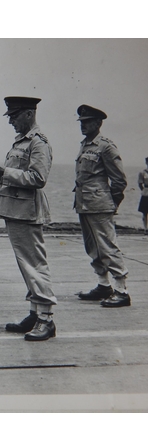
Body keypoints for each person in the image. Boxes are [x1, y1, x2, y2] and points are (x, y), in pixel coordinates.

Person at [0, 97, 57, 341]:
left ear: (28, 114)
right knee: (26, 264)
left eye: (14, 116)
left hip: (26, 212)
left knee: (34, 265)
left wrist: (5, 172)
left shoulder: (39, 143)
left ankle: (46, 319)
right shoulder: (21, 141)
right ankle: (35, 313)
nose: (11, 121)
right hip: (15, 210)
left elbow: (38, 178)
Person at [74, 104, 130, 307]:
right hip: (84, 204)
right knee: (92, 247)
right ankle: (103, 285)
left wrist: (110, 203)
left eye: (88, 122)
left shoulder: (106, 146)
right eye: (81, 122)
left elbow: (119, 181)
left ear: (98, 123)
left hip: (100, 205)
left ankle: (122, 290)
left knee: (107, 247)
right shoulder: (85, 144)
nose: (83, 125)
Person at [138, 157, 148, 235]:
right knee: (145, 212)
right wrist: (143, 190)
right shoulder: (142, 173)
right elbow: (140, 183)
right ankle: (146, 228)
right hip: (146, 193)